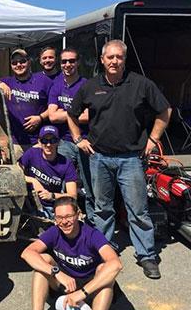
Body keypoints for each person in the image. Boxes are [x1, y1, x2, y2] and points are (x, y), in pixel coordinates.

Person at [67, 39, 172, 279]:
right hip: (99, 157)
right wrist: (77, 139)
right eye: (110, 57)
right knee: (103, 209)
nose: (114, 61)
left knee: (138, 209)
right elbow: (71, 114)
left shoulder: (141, 84)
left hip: (131, 159)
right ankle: (103, 251)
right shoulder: (91, 86)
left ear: (125, 60)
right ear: (102, 60)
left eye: (119, 57)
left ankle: (147, 256)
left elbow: (165, 111)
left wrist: (153, 139)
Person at [21, 197, 122, 310]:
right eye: (59, 217)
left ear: (78, 215)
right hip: (66, 283)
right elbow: (27, 253)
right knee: (43, 260)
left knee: (104, 269)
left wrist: (82, 293)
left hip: (91, 286)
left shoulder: (92, 234)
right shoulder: (54, 232)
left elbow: (116, 264)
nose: (64, 222)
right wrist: (56, 272)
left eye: (69, 216)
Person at [48, 48, 95, 225]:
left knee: (90, 186)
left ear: (78, 62)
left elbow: (89, 116)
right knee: (60, 183)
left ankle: (91, 223)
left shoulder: (87, 85)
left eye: (71, 61)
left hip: (86, 140)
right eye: (64, 61)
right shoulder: (57, 85)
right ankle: (62, 220)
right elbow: (52, 116)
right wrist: (75, 114)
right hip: (64, 142)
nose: (68, 65)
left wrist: (65, 113)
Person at [0, 48, 52, 156]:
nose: (18, 65)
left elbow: (54, 107)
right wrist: (0, 84)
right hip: (15, 143)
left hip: (39, 142)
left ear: (29, 62)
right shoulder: (7, 81)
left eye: (22, 61)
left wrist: (40, 118)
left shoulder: (43, 80)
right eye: (14, 63)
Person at [19, 125, 78, 219]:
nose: (48, 145)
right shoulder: (31, 153)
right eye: (44, 141)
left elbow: (73, 196)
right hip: (29, 201)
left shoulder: (66, 164)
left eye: (53, 140)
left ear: (58, 142)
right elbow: (15, 173)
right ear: (39, 142)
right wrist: (33, 180)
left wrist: (52, 195)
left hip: (51, 205)